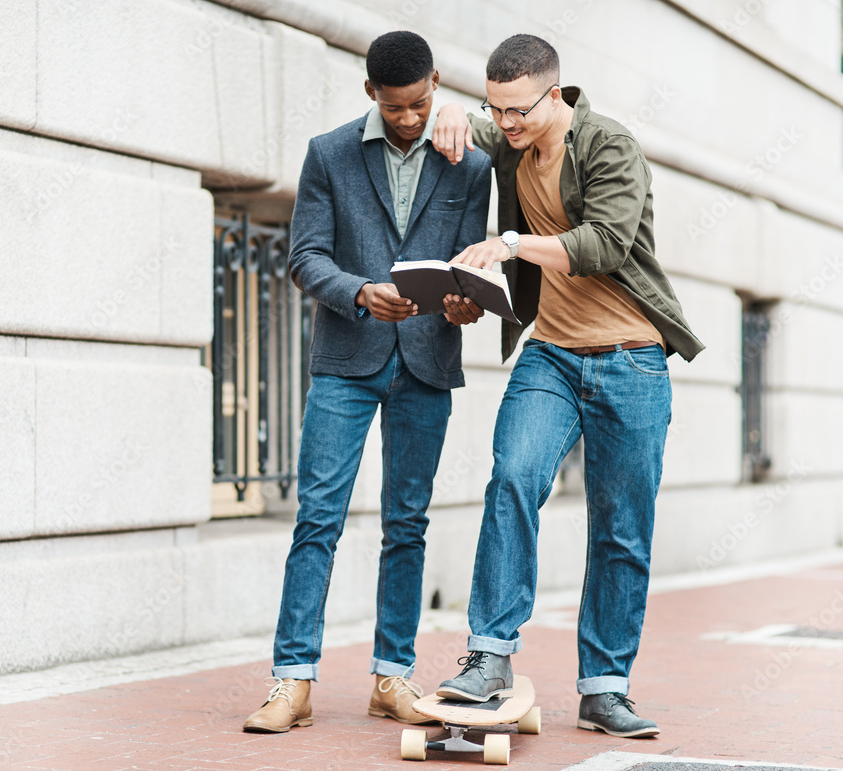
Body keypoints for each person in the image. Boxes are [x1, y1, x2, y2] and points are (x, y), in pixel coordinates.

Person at [430, 34, 704, 738]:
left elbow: (605, 244)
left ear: (556, 95)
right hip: (550, 354)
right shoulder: (511, 135)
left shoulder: (611, 145)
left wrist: (513, 244)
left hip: (631, 359)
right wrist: (454, 111)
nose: (508, 125)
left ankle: (605, 687)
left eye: (518, 111)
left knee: (620, 528)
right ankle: (489, 655)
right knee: (513, 476)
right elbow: (467, 127)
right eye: (498, 109)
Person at [242, 31, 491, 734]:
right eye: (395, 107)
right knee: (316, 518)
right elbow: (304, 256)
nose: (409, 118)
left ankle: (392, 675)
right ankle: (291, 680)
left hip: (427, 361)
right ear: (369, 94)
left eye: (418, 104)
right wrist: (359, 291)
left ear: (436, 85)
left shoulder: (470, 165)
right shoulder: (328, 154)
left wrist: (466, 302)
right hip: (346, 360)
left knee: (406, 525)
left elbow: (469, 260)